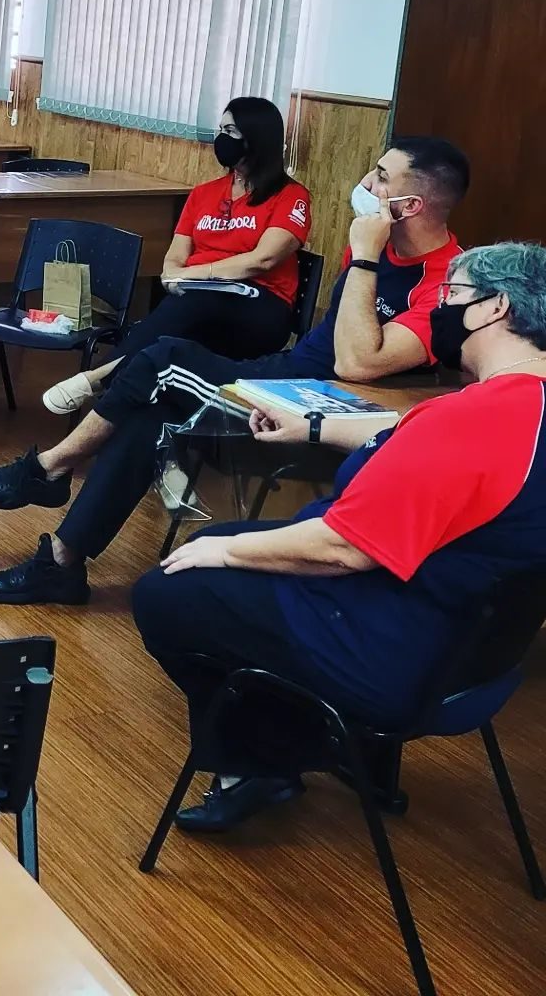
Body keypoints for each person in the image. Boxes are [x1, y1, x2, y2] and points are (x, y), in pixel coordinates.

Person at [133, 241, 546, 832]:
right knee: (231, 545)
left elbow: (344, 549)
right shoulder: (517, 407)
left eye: (452, 296)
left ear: (495, 307)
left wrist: (220, 549)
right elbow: (410, 435)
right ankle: (285, 749)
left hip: (394, 654)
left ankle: (271, 756)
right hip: (476, 657)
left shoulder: (473, 418)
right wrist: (314, 427)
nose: (440, 310)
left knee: (168, 588)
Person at [0, 137, 470, 607]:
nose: (366, 183)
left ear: (409, 205)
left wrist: (365, 258)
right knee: (151, 411)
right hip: (283, 375)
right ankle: (61, 563)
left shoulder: (444, 280)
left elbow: (356, 364)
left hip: (317, 408)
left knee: (163, 358)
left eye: (380, 176)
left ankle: (49, 469)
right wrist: (368, 255)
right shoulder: (379, 246)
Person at [41, 97, 310, 415]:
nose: (221, 138)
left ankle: (99, 378)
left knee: (191, 308)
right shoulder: (204, 193)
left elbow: (262, 260)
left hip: (260, 306)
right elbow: (175, 255)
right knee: (172, 340)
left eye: (230, 131)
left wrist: (196, 274)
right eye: (220, 129)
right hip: (198, 301)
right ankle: (135, 416)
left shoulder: (291, 196)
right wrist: (173, 273)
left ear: (256, 136)